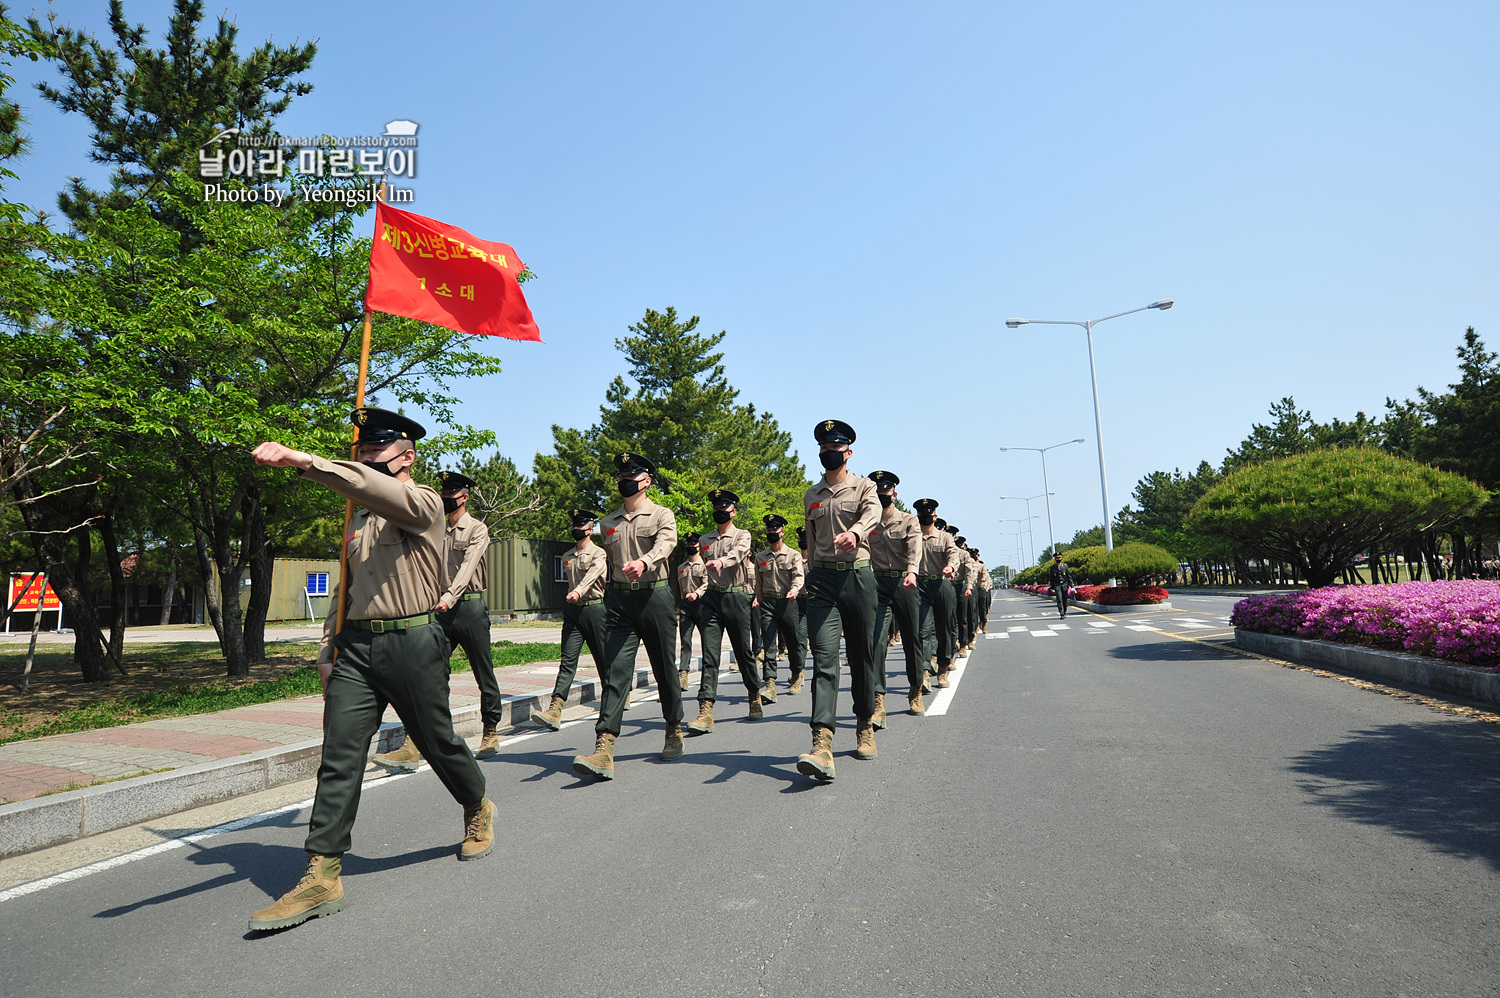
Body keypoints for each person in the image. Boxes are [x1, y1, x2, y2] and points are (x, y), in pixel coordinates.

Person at [247, 409, 494, 932]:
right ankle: (322, 872)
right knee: (339, 755)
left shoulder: (423, 503)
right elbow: (347, 590)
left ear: (407, 456)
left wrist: (302, 460)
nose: (363, 455)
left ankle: (477, 804)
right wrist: (326, 650)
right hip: (356, 648)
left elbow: (366, 486)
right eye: (361, 448)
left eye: (377, 449)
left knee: (436, 740)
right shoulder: (355, 519)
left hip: (414, 641)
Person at [372, 470, 497, 771]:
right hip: (439, 609)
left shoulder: (477, 530)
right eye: (443, 495)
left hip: (468, 607)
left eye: (452, 495)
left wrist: (449, 596)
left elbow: (467, 568)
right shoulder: (435, 528)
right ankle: (414, 744)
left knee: (483, 672)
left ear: (464, 497)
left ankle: (490, 730)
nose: (446, 500)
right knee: (429, 676)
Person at [572, 452, 685, 780]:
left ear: (647, 480)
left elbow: (667, 544)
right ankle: (604, 746)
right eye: (621, 475)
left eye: (632, 474)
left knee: (665, 668)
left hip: (655, 596)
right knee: (616, 672)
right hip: (620, 602)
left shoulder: (662, 514)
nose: (625, 479)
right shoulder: (608, 523)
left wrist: (645, 562)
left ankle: (673, 728)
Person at [796, 420, 882, 780]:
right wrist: (809, 576)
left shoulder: (865, 487)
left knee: (861, 655)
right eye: (824, 447)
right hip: (823, 581)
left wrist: (856, 533)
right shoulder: (812, 495)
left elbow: (872, 514)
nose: (830, 452)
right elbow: (812, 543)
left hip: (858, 576)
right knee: (825, 658)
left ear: (849, 451)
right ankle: (822, 742)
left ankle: (864, 724)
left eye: (836, 446)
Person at [688, 488, 762, 731]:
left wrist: (721, 561)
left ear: (734, 511)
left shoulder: (743, 535)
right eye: (716, 507)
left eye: (725, 506)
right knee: (710, 656)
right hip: (712, 600)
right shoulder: (705, 540)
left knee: (743, 652)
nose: (720, 510)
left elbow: (739, 553)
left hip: (736, 597)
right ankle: (705, 709)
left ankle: (754, 693)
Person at [531, 510, 608, 731]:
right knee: (567, 661)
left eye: (581, 526)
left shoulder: (599, 554)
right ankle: (555, 709)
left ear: (590, 529)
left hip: (595, 610)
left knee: (603, 660)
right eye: (574, 525)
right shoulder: (567, 557)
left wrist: (579, 591)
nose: (576, 529)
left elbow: (593, 575)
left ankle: (614, 698)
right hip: (573, 613)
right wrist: (572, 596)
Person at [867, 471, 922, 727]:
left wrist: (912, 571)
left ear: (894, 494)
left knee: (912, 638)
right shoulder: (867, 522)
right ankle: (878, 699)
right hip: (877, 584)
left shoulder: (909, 520)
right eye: (877, 492)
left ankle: (915, 689)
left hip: (904, 582)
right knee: (877, 641)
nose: (882, 495)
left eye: (886, 492)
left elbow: (914, 548)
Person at [754, 513, 806, 700]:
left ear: (782, 532)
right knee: (768, 644)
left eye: (775, 529)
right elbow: (759, 583)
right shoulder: (760, 557)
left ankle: (796, 674)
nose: (771, 532)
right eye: (769, 529)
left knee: (793, 641)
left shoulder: (794, 555)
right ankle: (770, 684)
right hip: (768, 603)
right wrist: (757, 599)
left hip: (788, 602)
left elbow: (799, 576)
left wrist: (794, 590)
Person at [914, 501, 960, 701]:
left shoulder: (945, 537)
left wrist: (950, 566)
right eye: (922, 513)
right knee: (922, 630)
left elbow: (953, 554)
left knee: (945, 629)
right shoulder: (913, 536)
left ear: (935, 516)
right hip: (920, 586)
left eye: (929, 513)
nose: (926, 516)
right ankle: (924, 670)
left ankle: (942, 668)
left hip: (941, 585)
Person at [675, 531, 707, 689]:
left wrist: (697, 593)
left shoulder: (705, 565)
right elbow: (679, 589)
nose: (691, 546)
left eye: (693, 544)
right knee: (685, 641)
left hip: (702, 606)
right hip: (686, 607)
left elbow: (707, 583)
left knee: (707, 640)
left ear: (699, 546)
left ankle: (708, 671)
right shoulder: (681, 567)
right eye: (688, 544)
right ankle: (683, 673)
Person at [1049, 552, 1074, 619]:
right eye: (1057, 558)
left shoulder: (1065, 566)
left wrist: (1072, 585)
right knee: (1059, 599)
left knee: (1064, 599)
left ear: (1061, 558)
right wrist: (1052, 586)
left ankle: (1065, 611)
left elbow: (1069, 576)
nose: (1058, 559)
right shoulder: (1052, 567)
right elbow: (1051, 577)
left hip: (1064, 584)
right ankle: (1061, 613)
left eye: (1059, 557)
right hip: (1057, 585)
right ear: (1055, 559)